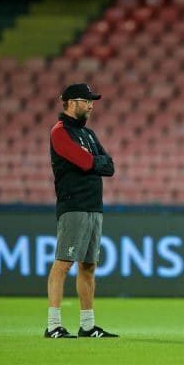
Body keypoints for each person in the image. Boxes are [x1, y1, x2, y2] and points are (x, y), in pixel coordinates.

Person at [44, 83, 118, 338]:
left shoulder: (89, 134)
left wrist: (95, 163)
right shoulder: (59, 132)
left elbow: (109, 166)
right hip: (73, 204)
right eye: (87, 101)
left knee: (88, 266)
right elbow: (86, 161)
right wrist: (95, 163)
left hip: (93, 206)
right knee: (63, 264)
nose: (91, 105)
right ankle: (53, 325)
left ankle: (87, 326)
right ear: (72, 102)